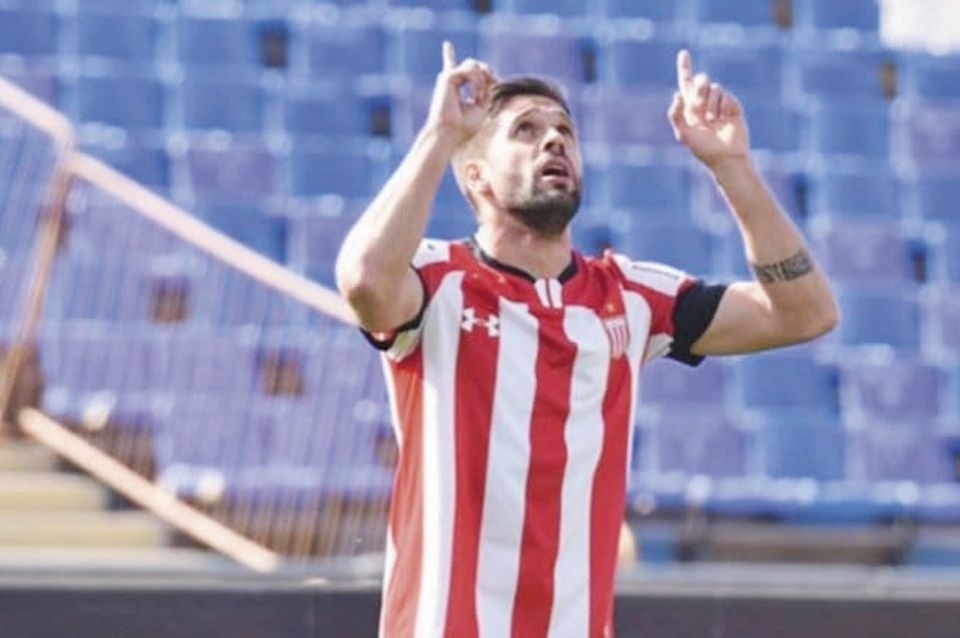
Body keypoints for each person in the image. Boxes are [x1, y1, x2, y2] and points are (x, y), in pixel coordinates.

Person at [335, 42, 838, 638]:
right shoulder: (435, 280)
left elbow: (806, 313)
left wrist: (734, 168)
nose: (554, 140)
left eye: (564, 131)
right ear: (476, 177)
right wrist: (441, 134)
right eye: (526, 130)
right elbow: (364, 281)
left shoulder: (629, 295)